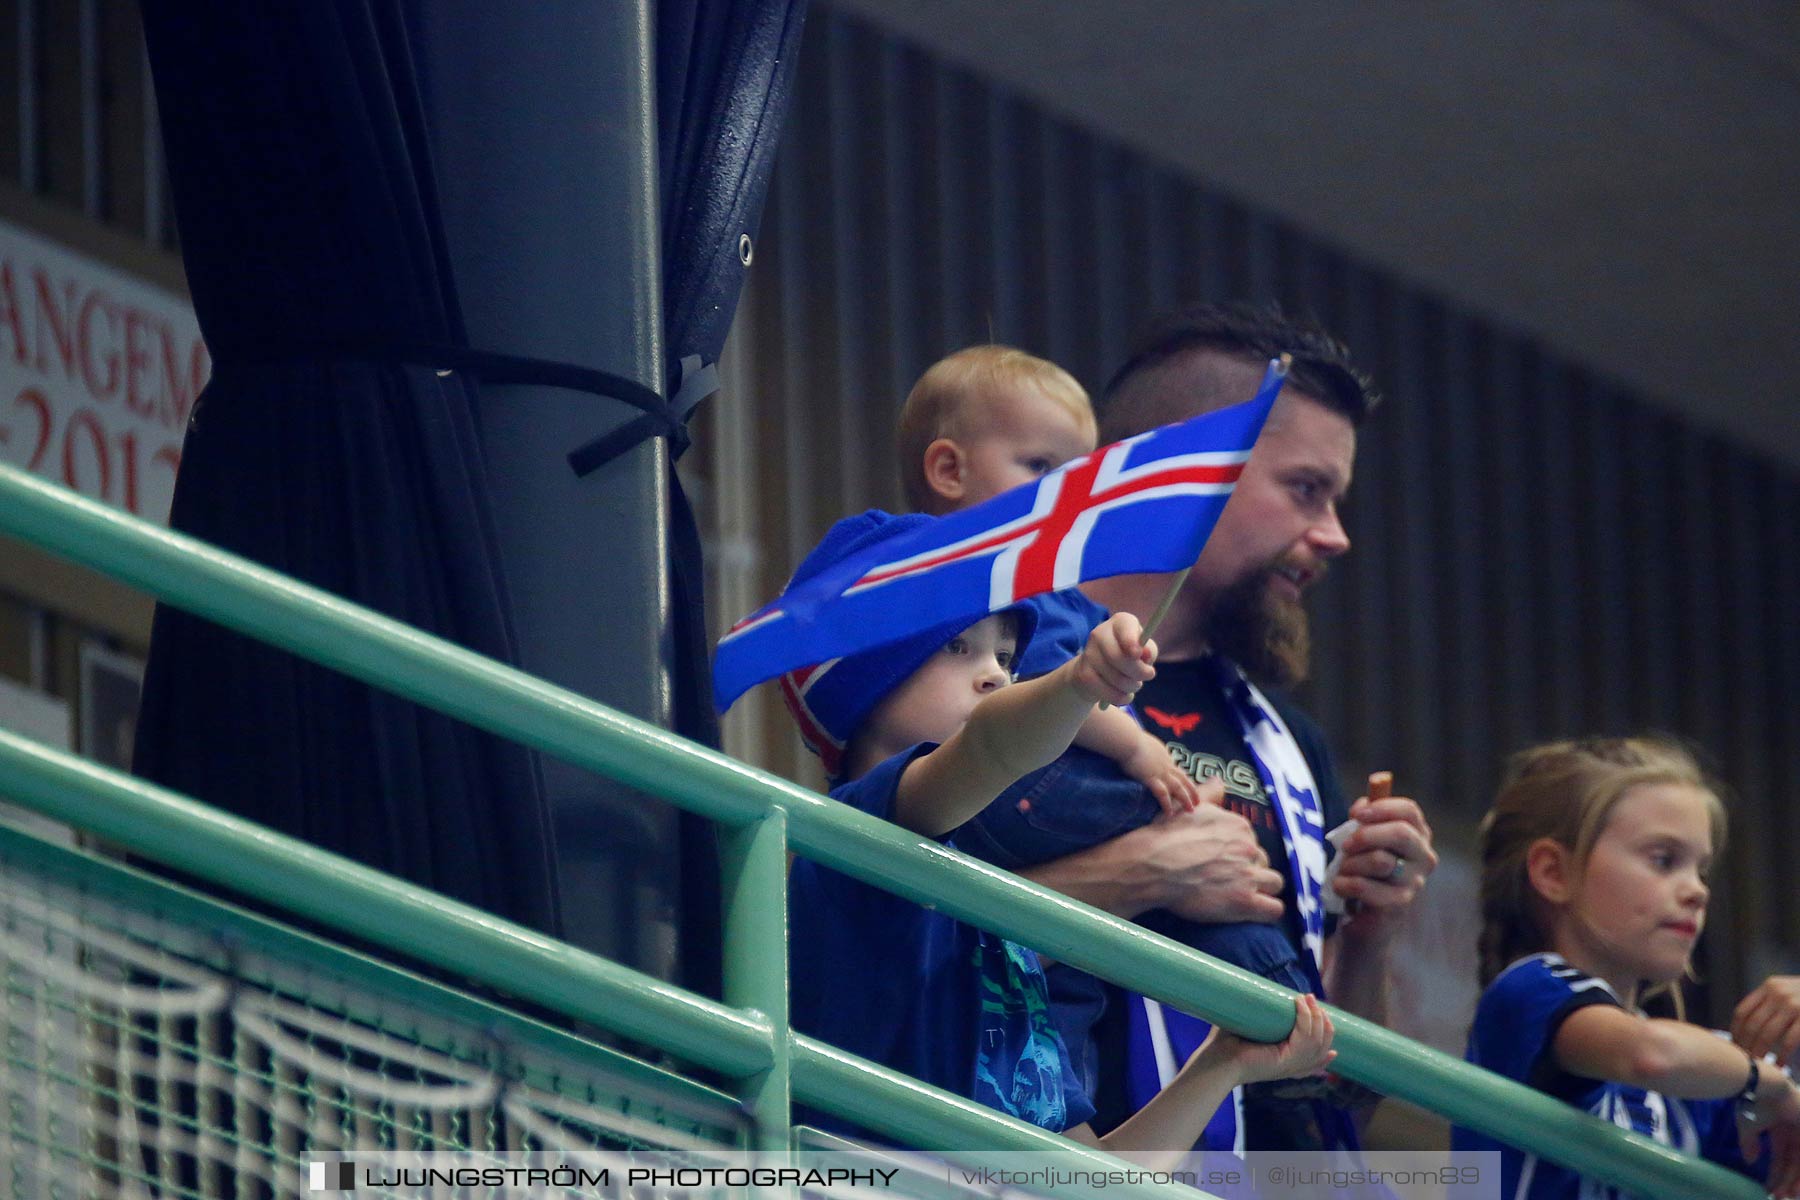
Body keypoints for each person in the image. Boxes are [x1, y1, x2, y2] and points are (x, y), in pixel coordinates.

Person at [1005, 302, 1439, 1151]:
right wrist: (1136, 874)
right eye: (1306, 489)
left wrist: (1368, 933)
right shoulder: (996, 666)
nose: (1338, 536)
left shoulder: (1287, 742)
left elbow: (1339, 1089)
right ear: (1181, 472)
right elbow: (895, 935)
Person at [781, 510, 1336, 1149]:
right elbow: (991, 746)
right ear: (859, 675)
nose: (993, 674)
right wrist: (1075, 685)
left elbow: (1091, 1175)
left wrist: (1219, 1066)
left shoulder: (1002, 937)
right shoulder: (854, 837)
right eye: (958, 645)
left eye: (1008, 657)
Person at [1454, 737, 1799, 1199]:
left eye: (1702, 869)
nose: (1697, 891)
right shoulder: (1528, 991)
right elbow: (1653, 1055)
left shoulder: (1704, 1080)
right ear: (1555, 873)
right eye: (1664, 860)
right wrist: (1770, 1084)